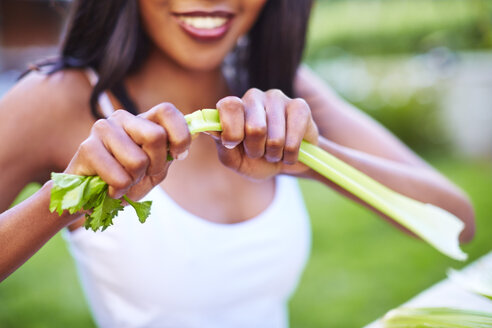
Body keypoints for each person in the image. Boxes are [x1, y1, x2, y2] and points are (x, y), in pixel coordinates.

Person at [0, 0, 475, 327]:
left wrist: (312, 160)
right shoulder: (57, 99)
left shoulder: (283, 89)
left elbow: (459, 223)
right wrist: (65, 199)